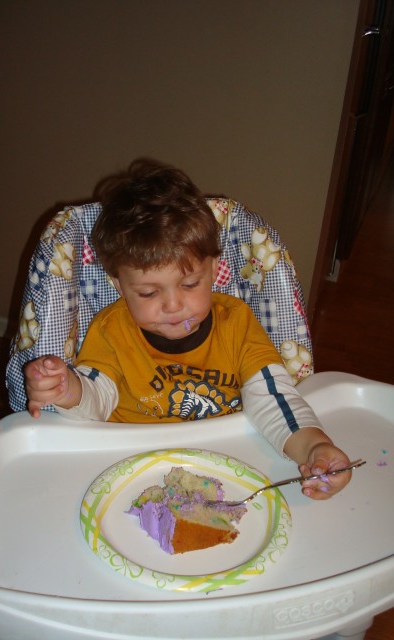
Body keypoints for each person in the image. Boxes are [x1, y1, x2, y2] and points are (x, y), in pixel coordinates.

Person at [25, 158, 352, 500]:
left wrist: (314, 447)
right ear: (119, 285)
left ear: (213, 269)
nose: (173, 305)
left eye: (190, 284)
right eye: (148, 293)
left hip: (224, 462)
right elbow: (98, 398)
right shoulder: (112, 330)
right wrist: (68, 389)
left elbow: (272, 397)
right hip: (132, 467)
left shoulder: (236, 323)